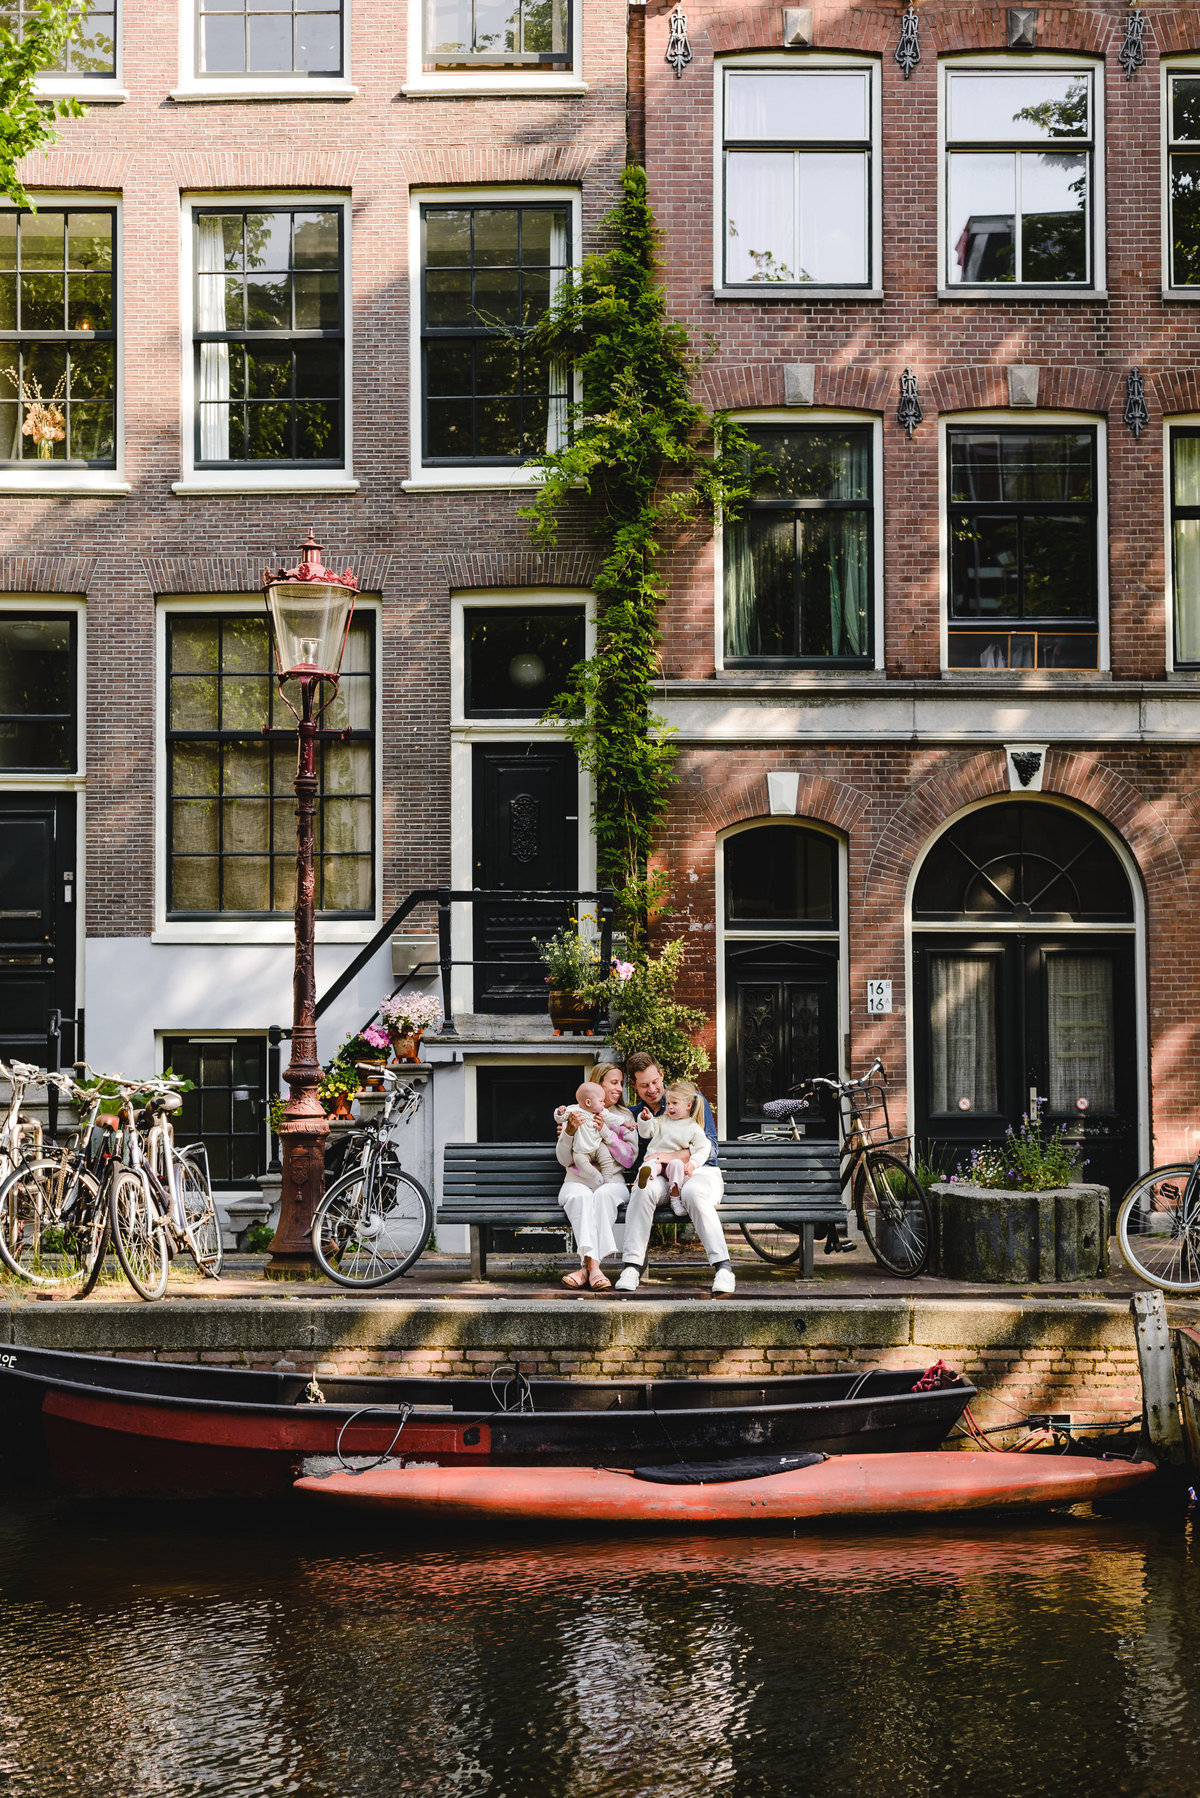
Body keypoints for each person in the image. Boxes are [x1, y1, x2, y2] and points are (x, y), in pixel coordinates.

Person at [615, 1052, 736, 1298]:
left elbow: (709, 1147)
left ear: (661, 1075)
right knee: (642, 1189)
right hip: (662, 1177)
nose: (652, 1089)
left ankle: (723, 1268)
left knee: (692, 1193)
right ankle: (632, 1267)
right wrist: (571, 1129)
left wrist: (667, 1157)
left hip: (699, 1171)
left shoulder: (690, 1099)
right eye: (644, 1085)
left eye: (655, 1082)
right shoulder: (638, 1114)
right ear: (635, 1087)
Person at [555, 1061, 634, 1291]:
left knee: (603, 1196)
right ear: (597, 1086)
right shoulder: (576, 1113)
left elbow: (628, 1159)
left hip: (612, 1181)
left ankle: (586, 1268)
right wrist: (568, 1133)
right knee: (579, 1197)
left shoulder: (623, 1117)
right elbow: (564, 1160)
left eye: (621, 1083)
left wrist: (606, 1132)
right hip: (577, 1180)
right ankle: (594, 1269)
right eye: (613, 1083)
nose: (619, 1088)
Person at [635, 1078, 711, 1213]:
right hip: (657, 1162)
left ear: (688, 1105)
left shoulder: (693, 1127)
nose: (669, 1107)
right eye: (668, 1103)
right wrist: (645, 1120)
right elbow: (646, 1133)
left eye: (674, 1103)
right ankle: (643, 1179)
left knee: (676, 1164)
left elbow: (703, 1149)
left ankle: (675, 1201)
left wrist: (693, 1163)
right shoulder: (661, 1121)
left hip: (673, 1165)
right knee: (650, 1163)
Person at [554, 1080, 636, 1187]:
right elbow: (560, 1117)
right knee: (580, 1161)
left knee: (606, 1157)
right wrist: (559, 1113)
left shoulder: (602, 1113)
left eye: (621, 1083)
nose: (604, 1103)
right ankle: (596, 1174)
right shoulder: (573, 1111)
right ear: (588, 1102)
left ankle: (607, 1178)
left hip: (597, 1145)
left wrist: (626, 1123)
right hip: (580, 1149)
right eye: (614, 1082)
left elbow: (614, 1118)